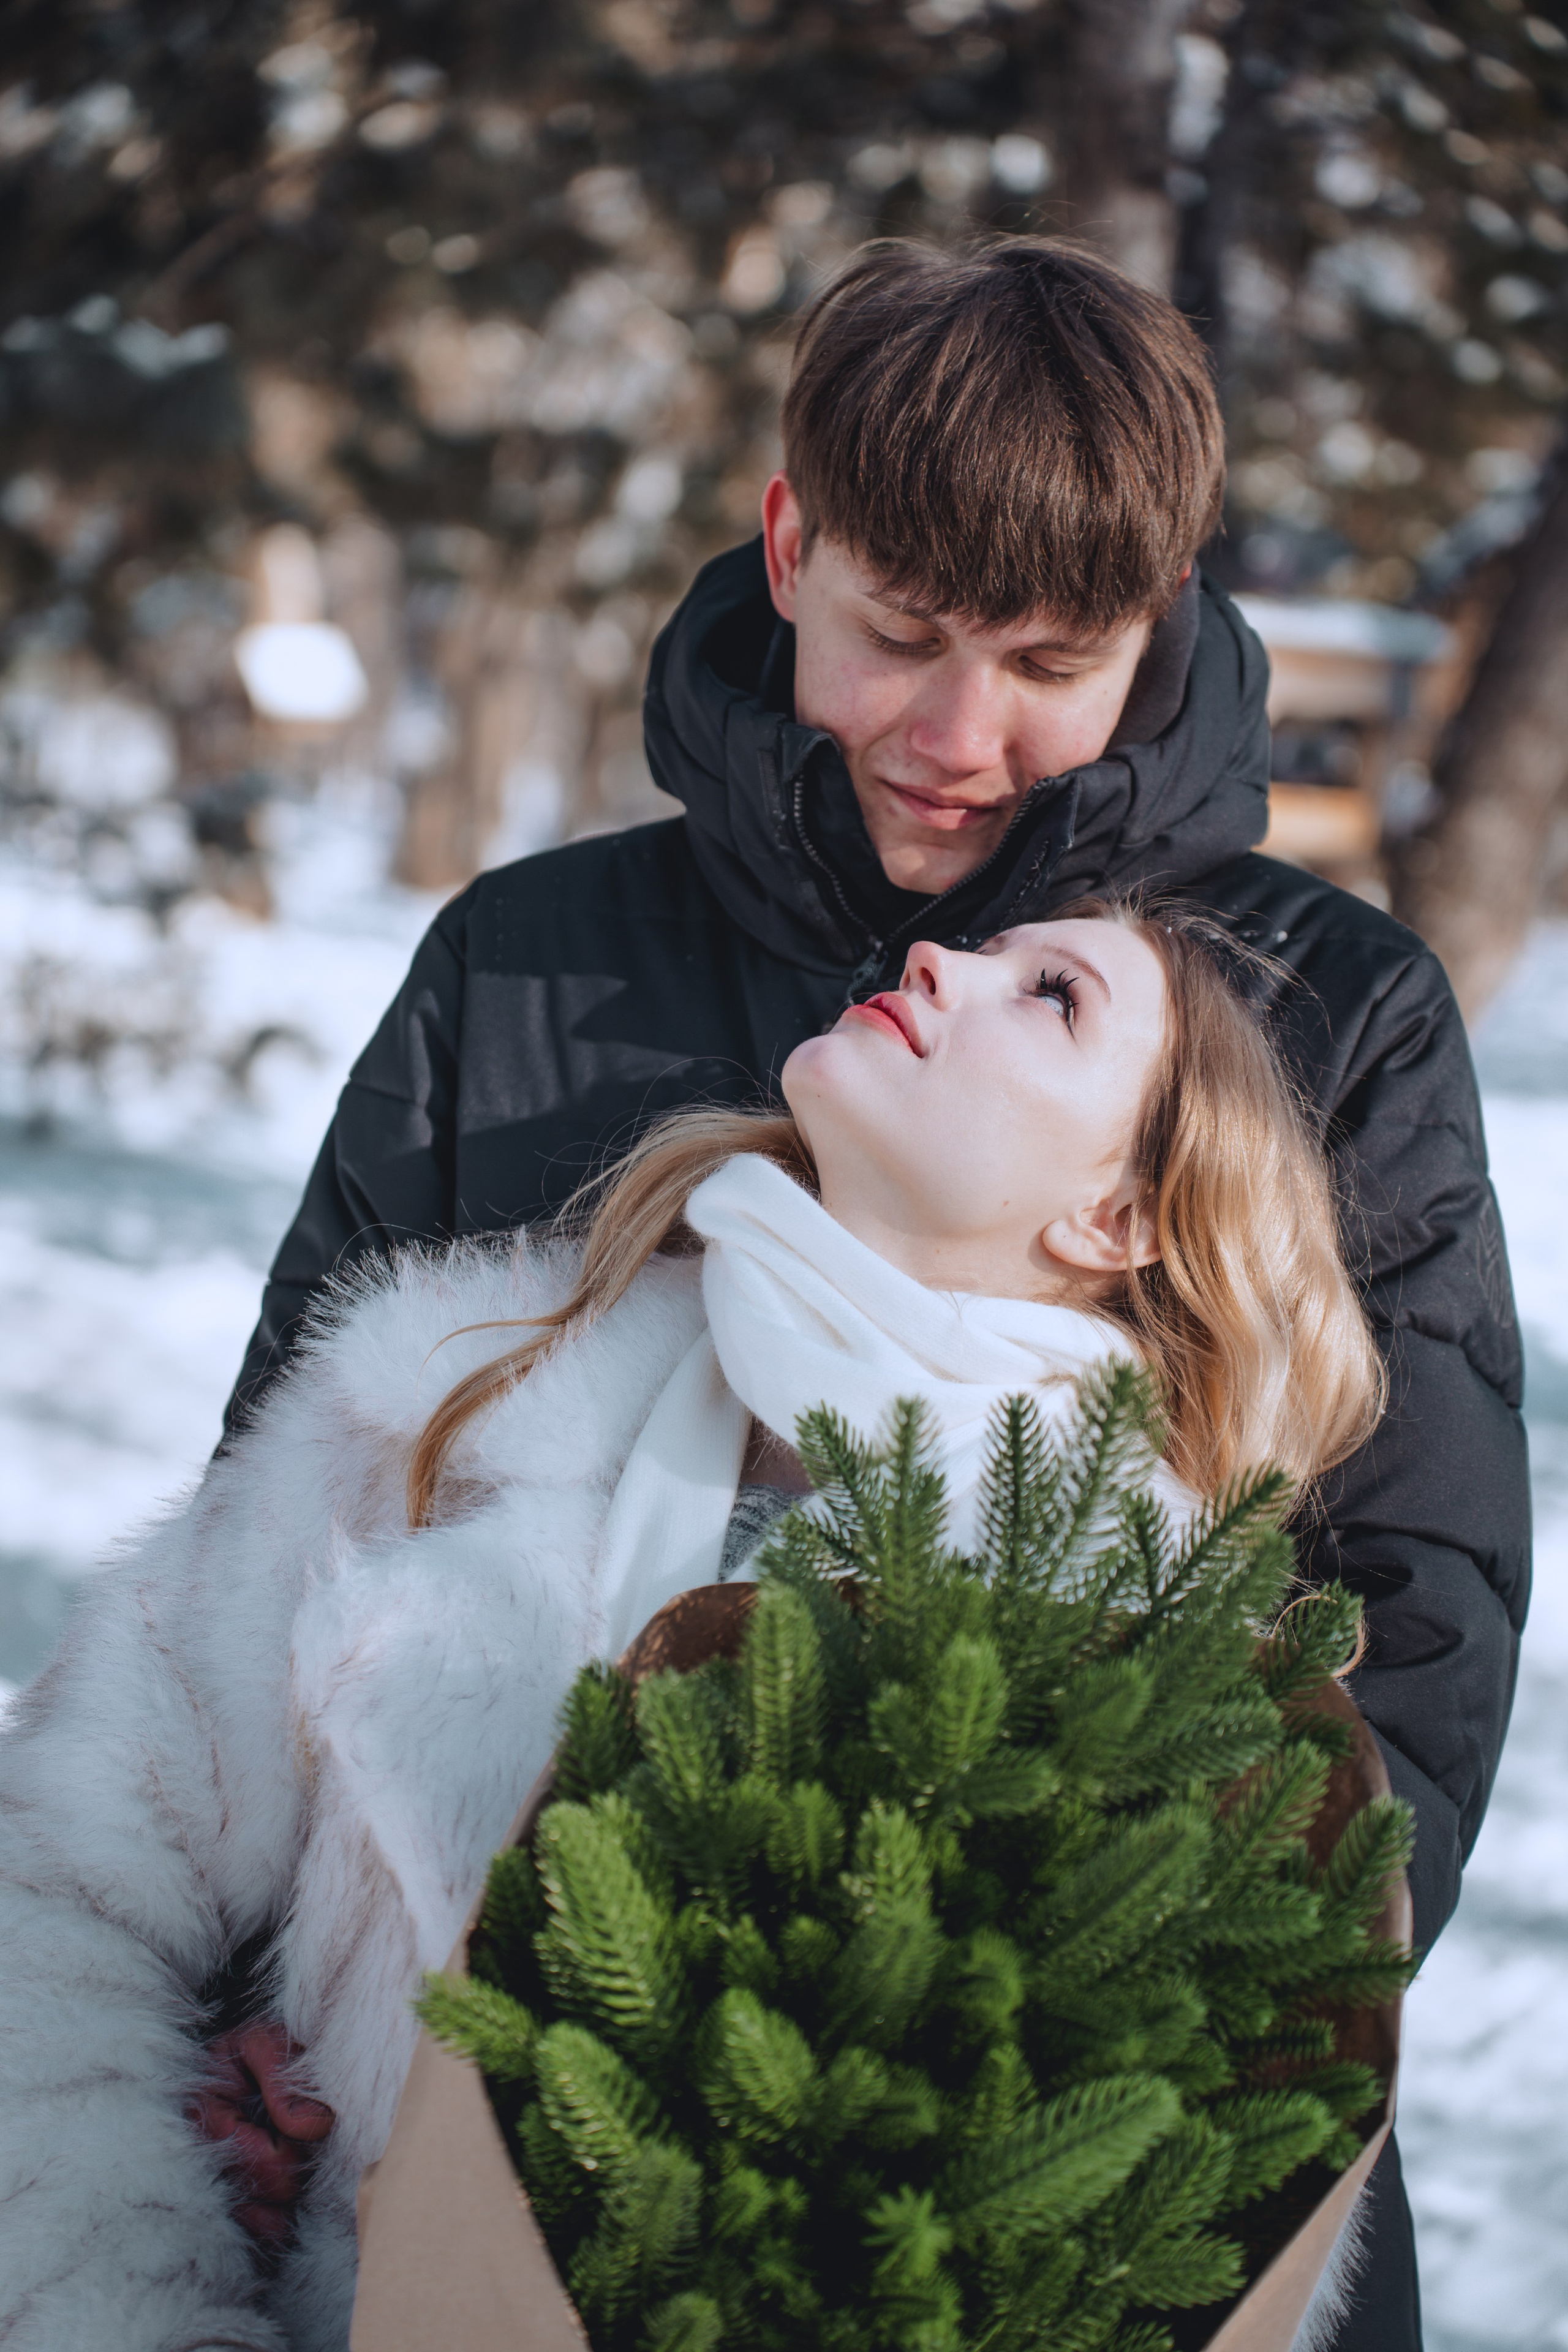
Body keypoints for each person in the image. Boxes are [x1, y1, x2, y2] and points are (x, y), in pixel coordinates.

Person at [229, 235, 1521, 2343]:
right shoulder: (527, 967)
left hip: (1066, 2192)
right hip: (451, 2158)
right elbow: (284, 1516)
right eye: (900, 632)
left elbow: (1408, 1645)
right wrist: (269, 2009)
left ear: (1163, 620)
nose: (957, 733)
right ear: (787, 544)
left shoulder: (1325, 1018)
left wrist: (1106, 2094)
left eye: (1046, 660)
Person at [0, 903, 1386, 2352]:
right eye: (970, 950)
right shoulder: (440, 1404)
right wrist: (142, 2302)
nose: (933, 960)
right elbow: (51, 1884)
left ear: (1113, 1217)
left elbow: (1172, 2244)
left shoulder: (1158, 1679)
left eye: (1048, 996)